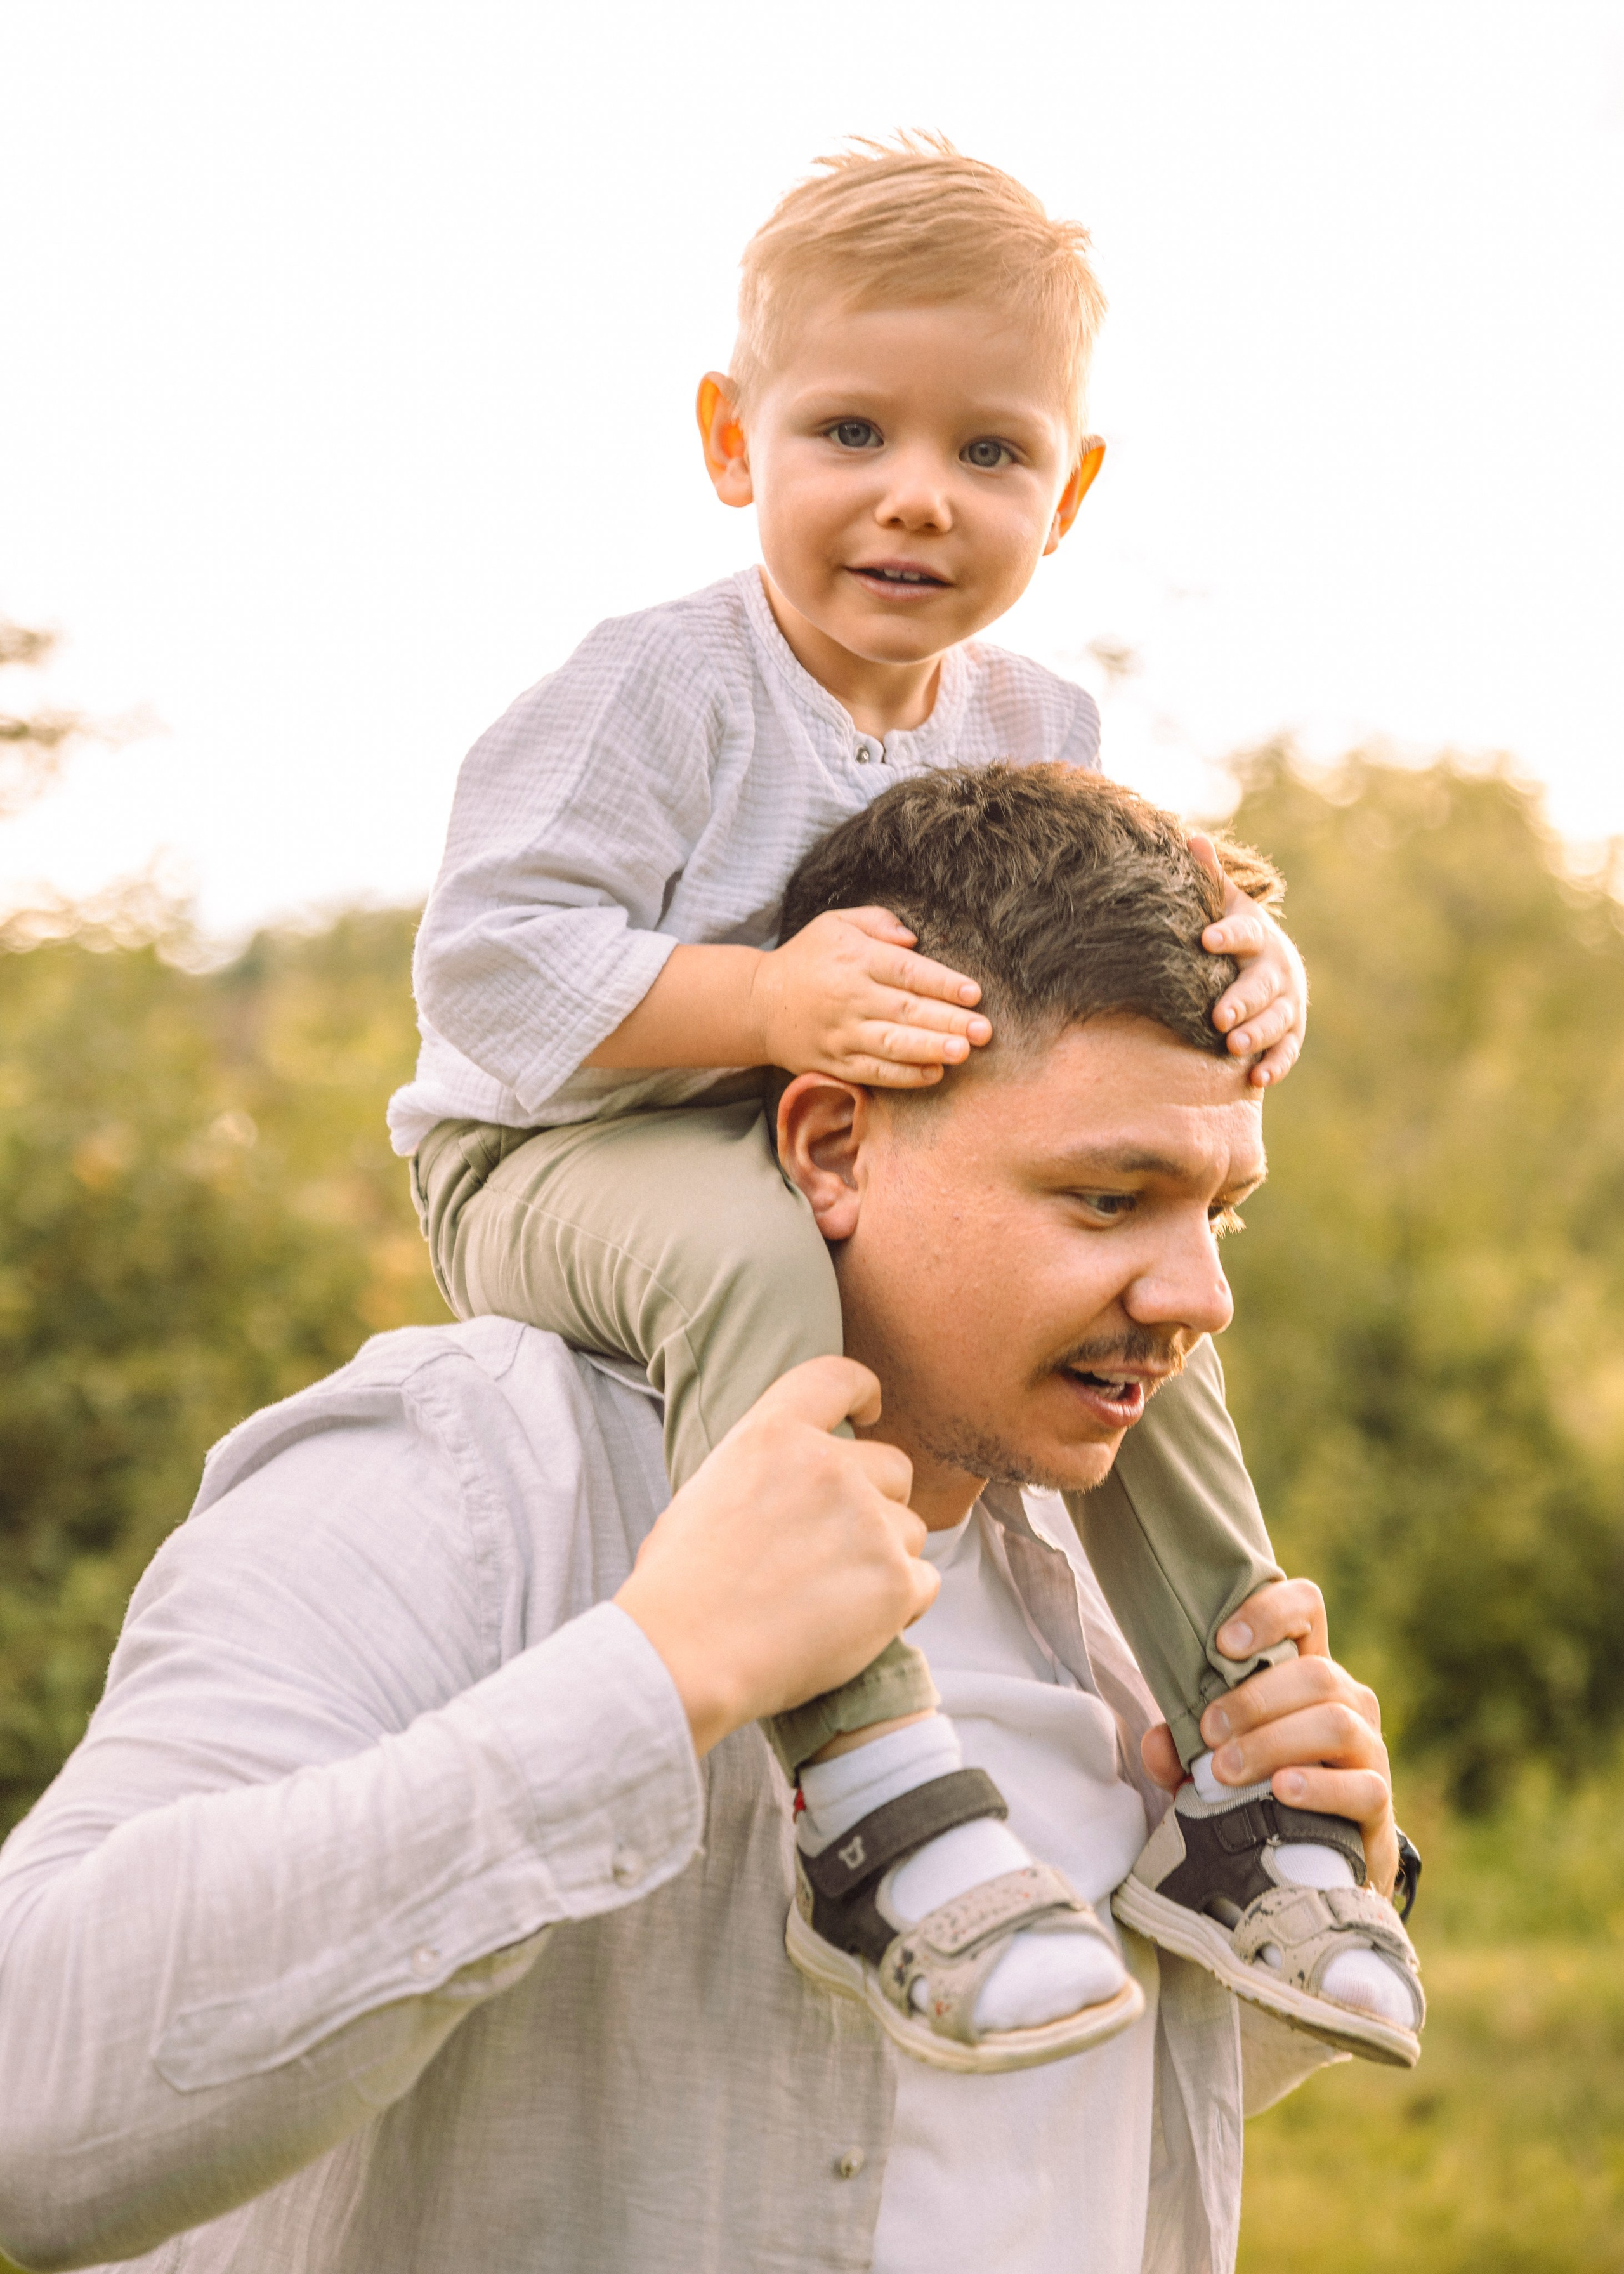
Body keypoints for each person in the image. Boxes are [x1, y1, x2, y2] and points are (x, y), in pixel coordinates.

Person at [0, 767, 1414, 2273]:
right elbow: (35, 2106)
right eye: (1104, 1196)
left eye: (1218, 1209)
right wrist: (653, 1672)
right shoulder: (456, 1475)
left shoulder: (1117, 1587)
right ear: (828, 1145)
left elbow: (1002, 2144)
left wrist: (1268, 1912)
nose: (1200, 1295)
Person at [386, 135, 1413, 2065]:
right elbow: (489, 967)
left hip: (810, 1141)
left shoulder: (1043, 726)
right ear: (731, 439)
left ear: (1071, 489)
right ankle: (863, 1786)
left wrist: (1259, 960)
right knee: (760, 1265)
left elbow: (1160, 911)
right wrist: (770, 997)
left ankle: (1245, 1778)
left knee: (1161, 1333)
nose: (919, 499)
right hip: (559, 1149)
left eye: (993, 452)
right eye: (851, 430)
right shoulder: (658, 690)